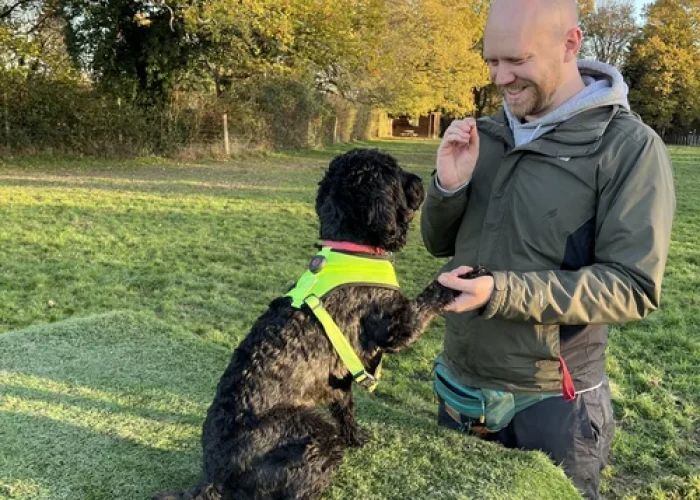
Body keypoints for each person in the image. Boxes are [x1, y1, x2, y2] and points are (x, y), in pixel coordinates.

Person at [421, 0, 676, 498]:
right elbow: (437, 244)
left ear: (570, 44)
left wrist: (501, 292)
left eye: (517, 60)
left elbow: (634, 286)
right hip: (459, 387)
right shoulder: (484, 135)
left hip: (552, 404)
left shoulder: (626, 148)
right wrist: (447, 188)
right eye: (492, 61)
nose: (501, 77)